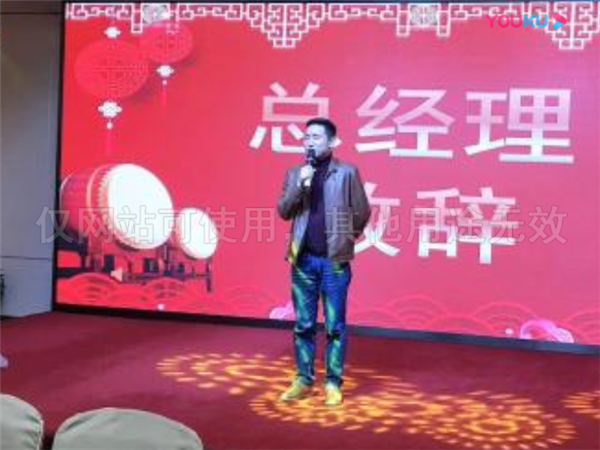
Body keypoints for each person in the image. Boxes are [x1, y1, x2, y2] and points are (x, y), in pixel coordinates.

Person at [277, 117, 371, 406]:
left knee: (335, 326)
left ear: (332, 142)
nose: (310, 142)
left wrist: (344, 239)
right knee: (303, 324)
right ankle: (304, 380)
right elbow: (284, 210)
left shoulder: (346, 172)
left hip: (334, 262)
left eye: (316, 137)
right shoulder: (296, 173)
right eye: (307, 137)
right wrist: (300, 184)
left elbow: (362, 212)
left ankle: (333, 383)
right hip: (302, 261)